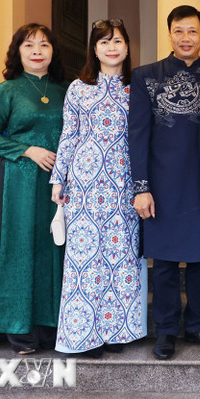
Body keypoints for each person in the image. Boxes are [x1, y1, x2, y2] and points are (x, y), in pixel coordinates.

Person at [129, 5, 200, 361]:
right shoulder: (146, 76)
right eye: (179, 31)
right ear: (169, 34)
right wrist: (141, 186)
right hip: (161, 184)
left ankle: (198, 324)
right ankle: (167, 330)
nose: (186, 38)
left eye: (193, 31)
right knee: (166, 262)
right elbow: (136, 136)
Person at [50, 19, 147, 357]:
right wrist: (58, 179)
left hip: (125, 179)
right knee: (85, 258)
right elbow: (69, 135)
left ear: (127, 46)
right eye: (104, 42)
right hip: (86, 181)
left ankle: (119, 331)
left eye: (117, 40)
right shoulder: (78, 88)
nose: (111, 47)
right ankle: (85, 335)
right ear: (93, 48)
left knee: (121, 256)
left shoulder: (139, 86)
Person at [0, 24, 68, 355]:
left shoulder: (65, 90)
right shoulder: (8, 90)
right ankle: (20, 330)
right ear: (17, 51)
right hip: (20, 182)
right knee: (20, 249)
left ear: (53, 52)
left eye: (44, 45)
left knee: (54, 249)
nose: (37, 51)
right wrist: (28, 150)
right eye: (29, 45)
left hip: (59, 184)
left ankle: (52, 326)